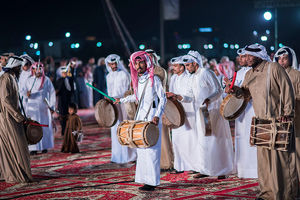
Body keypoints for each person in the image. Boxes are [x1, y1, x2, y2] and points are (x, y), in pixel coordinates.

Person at [226, 44, 299, 199]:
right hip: (261, 122)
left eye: (249, 56)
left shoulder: (273, 68)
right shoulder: (249, 74)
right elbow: (245, 94)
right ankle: (267, 193)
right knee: (265, 162)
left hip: (278, 120)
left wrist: (288, 113)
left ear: (258, 55)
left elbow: (287, 90)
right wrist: (234, 90)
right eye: (245, 56)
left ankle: (286, 194)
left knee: (281, 161)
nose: (246, 59)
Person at [114, 51, 166, 191]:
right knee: (141, 151)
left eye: (140, 62)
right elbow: (136, 97)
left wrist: (157, 115)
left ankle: (152, 182)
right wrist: (121, 100)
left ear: (147, 63)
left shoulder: (154, 79)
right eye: (135, 63)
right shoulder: (139, 79)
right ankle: (144, 179)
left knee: (152, 151)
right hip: (140, 118)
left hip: (152, 118)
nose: (138, 65)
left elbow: (163, 98)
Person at [182, 50, 234, 179]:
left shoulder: (206, 73)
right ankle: (205, 168)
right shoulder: (193, 76)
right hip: (201, 112)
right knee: (203, 140)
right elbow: (190, 96)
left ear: (195, 63)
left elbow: (218, 90)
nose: (187, 68)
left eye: (188, 65)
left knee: (215, 140)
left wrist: (208, 100)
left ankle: (222, 170)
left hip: (212, 112)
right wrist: (177, 97)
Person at [0, 56, 32, 183]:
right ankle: (15, 175)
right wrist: (18, 116)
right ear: (16, 67)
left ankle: (18, 174)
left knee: (18, 147)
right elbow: (5, 100)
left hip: (12, 118)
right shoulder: (6, 79)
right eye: (19, 68)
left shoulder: (11, 78)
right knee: (17, 146)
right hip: (8, 118)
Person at [166, 56, 200, 173]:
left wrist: (179, 97)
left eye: (175, 66)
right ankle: (179, 166)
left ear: (182, 67)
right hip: (176, 112)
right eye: (173, 66)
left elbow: (192, 97)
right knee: (177, 139)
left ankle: (195, 166)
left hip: (188, 111)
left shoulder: (190, 78)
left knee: (191, 139)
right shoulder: (174, 78)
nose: (173, 68)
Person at [274, 46, 300, 182]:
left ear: (291, 59)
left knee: (297, 153)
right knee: (283, 155)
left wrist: (288, 102)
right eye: (279, 59)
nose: (282, 61)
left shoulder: (296, 75)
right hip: (278, 120)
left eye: (285, 58)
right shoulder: (274, 76)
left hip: (295, 119)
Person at [145, 49, 174, 170]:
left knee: (163, 136)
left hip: (158, 106)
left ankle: (167, 163)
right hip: (146, 107)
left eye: (151, 57)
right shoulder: (143, 72)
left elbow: (161, 90)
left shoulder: (159, 71)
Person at [105, 54, 136, 164]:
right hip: (113, 105)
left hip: (123, 104)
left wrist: (119, 98)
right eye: (111, 64)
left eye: (115, 63)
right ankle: (117, 156)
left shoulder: (124, 74)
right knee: (115, 129)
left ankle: (129, 156)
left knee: (125, 128)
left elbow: (127, 91)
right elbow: (110, 91)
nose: (113, 66)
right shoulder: (108, 76)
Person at [232, 48, 257, 178]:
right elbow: (235, 90)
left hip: (252, 109)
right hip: (240, 111)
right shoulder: (239, 72)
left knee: (252, 137)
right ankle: (242, 169)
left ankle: (254, 170)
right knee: (241, 137)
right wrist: (230, 88)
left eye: (242, 57)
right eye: (240, 57)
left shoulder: (255, 71)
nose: (240, 59)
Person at [25, 62, 56, 155]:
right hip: (32, 107)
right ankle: (33, 148)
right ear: (33, 70)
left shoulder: (46, 80)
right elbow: (22, 93)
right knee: (33, 127)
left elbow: (52, 93)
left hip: (43, 107)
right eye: (36, 69)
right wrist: (27, 94)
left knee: (44, 127)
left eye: (40, 69)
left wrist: (52, 106)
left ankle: (44, 147)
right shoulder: (29, 80)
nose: (38, 71)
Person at [56, 66, 74, 136]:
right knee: (62, 116)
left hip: (69, 100)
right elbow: (57, 90)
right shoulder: (59, 81)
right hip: (62, 101)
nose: (64, 74)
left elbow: (71, 89)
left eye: (65, 72)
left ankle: (69, 130)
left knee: (69, 115)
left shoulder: (69, 79)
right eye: (63, 73)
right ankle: (63, 131)